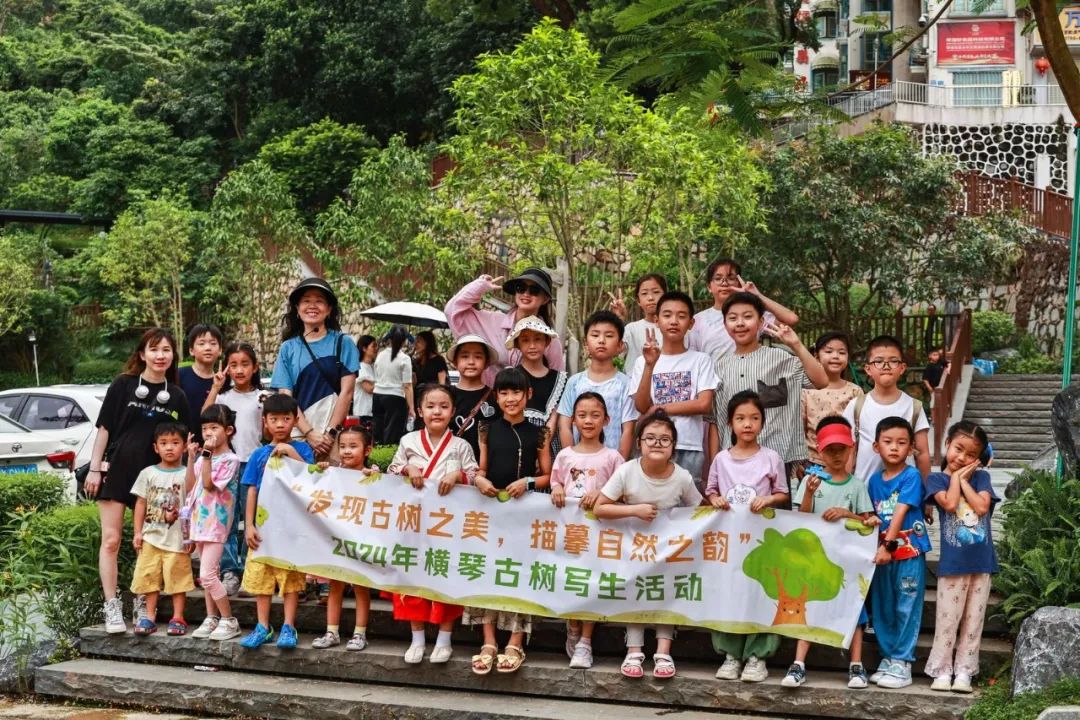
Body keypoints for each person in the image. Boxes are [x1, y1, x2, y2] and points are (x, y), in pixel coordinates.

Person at [84, 328, 191, 634]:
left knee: (148, 541)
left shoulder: (177, 396)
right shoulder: (123, 384)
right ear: (142, 354)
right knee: (111, 540)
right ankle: (111, 606)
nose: (160, 356)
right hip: (117, 470)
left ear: (173, 356)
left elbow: (183, 441)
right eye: (154, 349)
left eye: (166, 350)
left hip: (156, 480)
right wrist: (94, 469)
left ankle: (142, 601)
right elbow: (104, 429)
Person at [594, 410, 702, 680]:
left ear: (673, 446)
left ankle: (663, 652)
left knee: (667, 592)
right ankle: (634, 650)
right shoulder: (627, 471)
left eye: (664, 439)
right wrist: (634, 510)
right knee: (634, 590)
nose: (657, 444)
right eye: (650, 438)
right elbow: (600, 508)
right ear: (639, 442)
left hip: (668, 551)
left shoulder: (683, 477)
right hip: (633, 548)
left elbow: (700, 511)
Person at [782, 416, 879, 690]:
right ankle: (798, 663)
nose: (836, 455)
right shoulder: (811, 481)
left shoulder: (857, 486)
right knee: (809, 607)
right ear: (820, 451)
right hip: (815, 561)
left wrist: (847, 514)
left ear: (851, 449)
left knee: (855, 611)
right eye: (830, 450)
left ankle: (856, 664)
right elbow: (801, 519)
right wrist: (810, 494)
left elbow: (867, 522)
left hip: (848, 564)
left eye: (841, 449)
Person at [469, 368, 552, 675]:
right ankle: (489, 641)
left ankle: (516, 641)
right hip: (491, 511)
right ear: (496, 397)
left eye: (516, 392)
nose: (510, 398)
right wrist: (479, 480)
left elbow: (548, 475)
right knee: (487, 570)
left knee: (520, 573)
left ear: (528, 394)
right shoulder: (486, 429)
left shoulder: (540, 432)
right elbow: (482, 468)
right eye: (503, 393)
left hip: (524, 513)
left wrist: (528, 482)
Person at [387, 383, 479, 665]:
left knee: (444, 576)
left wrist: (459, 476)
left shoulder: (461, 445)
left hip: (447, 525)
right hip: (414, 522)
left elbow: (475, 476)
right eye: (430, 406)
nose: (436, 411)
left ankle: (444, 639)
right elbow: (391, 471)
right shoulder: (408, 441)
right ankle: (417, 638)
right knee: (412, 578)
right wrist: (408, 468)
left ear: (453, 411)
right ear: (419, 411)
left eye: (443, 406)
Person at [707, 292, 828, 495]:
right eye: (733, 318)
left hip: (779, 460)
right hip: (733, 465)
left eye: (747, 316)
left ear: (761, 322)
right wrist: (715, 465)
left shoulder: (782, 359)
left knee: (778, 515)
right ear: (725, 324)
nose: (740, 323)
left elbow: (821, 381)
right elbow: (715, 422)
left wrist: (796, 345)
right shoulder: (718, 368)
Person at [705, 391, 789, 683]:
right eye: (740, 418)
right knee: (729, 592)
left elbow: (782, 493)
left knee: (760, 592)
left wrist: (769, 500)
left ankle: (757, 655)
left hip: (761, 540)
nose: (748, 424)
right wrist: (715, 499)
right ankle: (730, 654)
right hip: (729, 542)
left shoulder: (771, 458)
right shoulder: (721, 459)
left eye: (754, 418)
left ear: (762, 423)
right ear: (730, 423)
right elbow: (711, 490)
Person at [550, 392, 625, 669]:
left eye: (595, 415)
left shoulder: (613, 457)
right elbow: (556, 481)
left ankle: (585, 640)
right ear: (573, 420)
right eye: (582, 415)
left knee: (592, 581)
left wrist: (602, 494)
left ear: (606, 420)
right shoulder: (565, 455)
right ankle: (572, 625)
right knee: (571, 578)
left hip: (599, 534)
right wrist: (557, 488)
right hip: (570, 533)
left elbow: (622, 491)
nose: (588, 420)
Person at [238, 393, 316, 650]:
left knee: (290, 578)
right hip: (264, 526)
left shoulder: (303, 450)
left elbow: (311, 478)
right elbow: (251, 490)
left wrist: (291, 451)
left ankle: (288, 626)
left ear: (295, 421)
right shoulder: (258, 454)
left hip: (292, 526)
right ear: (265, 422)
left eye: (286, 419)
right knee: (262, 577)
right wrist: (249, 525)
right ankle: (263, 626)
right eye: (274, 419)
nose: (280, 424)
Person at [924, 421, 997, 694]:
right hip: (953, 564)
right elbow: (950, 504)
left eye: (971, 454)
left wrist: (964, 480)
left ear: (978, 458)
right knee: (948, 619)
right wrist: (955, 479)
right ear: (947, 444)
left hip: (982, 562)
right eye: (958, 449)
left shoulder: (982, 478)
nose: (962, 457)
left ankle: (964, 671)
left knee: (973, 621)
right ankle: (942, 670)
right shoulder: (936, 480)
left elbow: (981, 507)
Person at [867, 417, 931, 690]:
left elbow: (901, 511)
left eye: (902, 442)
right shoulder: (873, 481)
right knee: (882, 605)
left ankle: (903, 661)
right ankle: (888, 656)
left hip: (907, 552)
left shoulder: (911, 476)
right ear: (876, 446)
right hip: (882, 554)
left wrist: (888, 545)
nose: (894, 447)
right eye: (888, 441)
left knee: (906, 604)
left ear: (911, 448)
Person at [629, 291, 716, 485]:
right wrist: (650, 365)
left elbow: (704, 404)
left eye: (681, 316)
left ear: (691, 323)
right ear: (657, 321)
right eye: (667, 315)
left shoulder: (701, 360)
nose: (674, 321)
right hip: (651, 445)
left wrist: (659, 409)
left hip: (688, 446)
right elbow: (642, 406)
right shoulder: (642, 361)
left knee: (688, 502)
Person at [202, 341, 267, 595]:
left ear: (255, 367)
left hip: (254, 463)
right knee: (227, 520)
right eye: (234, 365)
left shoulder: (262, 398)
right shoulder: (223, 398)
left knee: (251, 520)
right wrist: (216, 387)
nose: (239, 370)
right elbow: (206, 416)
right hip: (226, 464)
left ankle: (250, 569)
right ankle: (230, 571)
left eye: (245, 364)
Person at [311, 419, 381, 652]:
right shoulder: (333, 473)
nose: (347, 451)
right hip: (337, 538)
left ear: (367, 450)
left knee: (361, 586)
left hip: (361, 540)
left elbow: (383, 497)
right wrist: (320, 472)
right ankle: (332, 631)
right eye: (342, 446)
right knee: (335, 584)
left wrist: (374, 477)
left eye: (353, 446)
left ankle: (360, 634)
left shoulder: (372, 474)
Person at [271, 277, 359, 458]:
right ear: (297, 308)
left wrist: (330, 434)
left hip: (333, 439)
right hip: (297, 435)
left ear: (329, 309)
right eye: (306, 301)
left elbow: (347, 392)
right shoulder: (288, 348)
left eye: (319, 301)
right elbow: (286, 397)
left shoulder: (343, 343)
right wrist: (309, 433)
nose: (312, 306)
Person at [445, 268, 564, 384]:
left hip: (531, 397)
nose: (526, 294)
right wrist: (479, 286)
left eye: (534, 290)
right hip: (489, 395)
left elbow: (557, 380)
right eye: (521, 288)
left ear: (545, 299)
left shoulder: (550, 339)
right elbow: (451, 311)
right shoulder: (493, 321)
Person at [130, 423, 194, 637]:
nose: (169, 447)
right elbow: (140, 503)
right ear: (155, 447)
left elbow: (193, 494)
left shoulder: (186, 473)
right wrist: (137, 532)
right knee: (149, 577)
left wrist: (191, 536)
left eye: (175, 443)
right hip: (151, 536)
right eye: (164, 443)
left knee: (177, 579)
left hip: (178, 539)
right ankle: (149, 616)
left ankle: (178, 617)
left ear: (184, 446)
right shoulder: (148, 473)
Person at [185, 404, 242, 641]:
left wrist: (206, 455)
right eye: (204, 428)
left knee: (207, 575)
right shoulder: (203, 458)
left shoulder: (231, 460)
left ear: (228, 430)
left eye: (214, 427)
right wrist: (191, 458)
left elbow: (209, 484)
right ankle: (212, 617)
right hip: (199, 522)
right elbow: (191, 486)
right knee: (210, 575)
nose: (208, 433)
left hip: (217, 524)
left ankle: (229, 619)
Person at [843, 335, 931, 484]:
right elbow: (848, 451)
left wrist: (928, 491)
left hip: (905, 492)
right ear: (868, 369)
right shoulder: (856, 406)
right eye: (878, 361)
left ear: (902, 368)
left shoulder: (914, 407)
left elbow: (922, 453)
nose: (886, 366)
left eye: (893, 361)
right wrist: (845, 490)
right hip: (864, 491)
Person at [687, 257, 799, 364]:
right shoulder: (697, 320)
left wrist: (757, 295)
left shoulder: (752, 315)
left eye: (731, 278)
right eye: (718, 278)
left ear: (739, 283)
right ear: (709, 287)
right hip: (711, 377)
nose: (724, 283)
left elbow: (791, 320)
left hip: (748, 375)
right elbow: (692, 357)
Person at [557, 310, 635, 459]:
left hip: (612, 464)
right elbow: (565, 425)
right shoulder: (575, 383)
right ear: (586, 344)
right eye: (595, 335)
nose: (601, 340)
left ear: (620, 345)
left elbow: (628, 430)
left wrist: (619, 466)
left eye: (609, 336)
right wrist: (571, 460)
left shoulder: (625, 384)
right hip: (578, 465)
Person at [802, 332, 864, 476]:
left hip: (846, 462)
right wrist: (800, 463)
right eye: (829, 351)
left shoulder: (855, 391)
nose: (835, 356)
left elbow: (860, 430)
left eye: (841, 352)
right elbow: (800, 430)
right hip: (814, 463)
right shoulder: (807, 391)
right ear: (816, 356)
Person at [508, 316, 567, 455]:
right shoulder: (511, 377)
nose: (532, 346)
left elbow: (555, 418)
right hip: (517, 444)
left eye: (538, 339)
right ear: (517, 344)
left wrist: (542, 449)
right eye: (525, 340)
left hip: (549, 446)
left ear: (547, 341)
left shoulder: (559, 379)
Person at [447, 335, 500, 462]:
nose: (471, 362)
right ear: (455, 362)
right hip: (450, 465)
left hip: (484, 466)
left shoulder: (495, 397)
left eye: (478, 357)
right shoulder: (446, 396)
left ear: (486, 362)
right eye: (465, 356)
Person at [610, 273, 667, 373]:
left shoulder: (673, 328)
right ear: (638, 300)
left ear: (665, 296)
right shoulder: (631, 329)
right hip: (636, 381)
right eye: (644, 293)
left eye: (656, 292)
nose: (650, 298)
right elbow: (613, 351)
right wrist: (618, 320)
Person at [178, 324, 224, 443]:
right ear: (191, 350)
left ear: (220, 350)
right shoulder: (179, 375)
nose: (208, 348)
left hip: (211, 446)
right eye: (201, 343)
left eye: (213, 343)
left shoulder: (222, 381)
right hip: (182, 445)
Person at [373, 325, 415, 446]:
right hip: (395, 398)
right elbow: (407, 385)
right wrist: (411, 408)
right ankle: (389, 455)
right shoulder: (404, 359)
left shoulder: (380, 355)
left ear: (389, 339)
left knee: (378, 431)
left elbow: (377, 374)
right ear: (404, 341)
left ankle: (377, 453)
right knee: (392, 434)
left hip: (377, 396)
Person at [412, 331, 449, 413]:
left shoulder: (438, 360)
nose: (415, 344)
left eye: (419, 341)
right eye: (415, 341)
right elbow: (414, 382)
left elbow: (442, 383)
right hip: (418, 398)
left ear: (427, 343)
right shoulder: (416, 362)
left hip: (433, 398)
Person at [353, 334, 377, 423]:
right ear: (364, 349)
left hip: (373, 412)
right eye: (373, 346)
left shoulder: (373, 367)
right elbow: (369, 389)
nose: (376, 348)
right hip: (363, 412)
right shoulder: (360, 367)